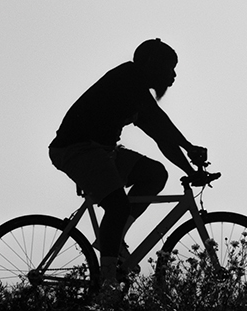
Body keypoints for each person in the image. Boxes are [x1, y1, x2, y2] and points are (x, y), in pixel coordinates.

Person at [48, 39, 210, 291]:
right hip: (76, 149)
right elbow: (162, 123)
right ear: (151, 64)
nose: (174, 75)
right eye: (169, 67)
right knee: (118, 206)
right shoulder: (129, 80)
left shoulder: (137, 90)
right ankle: (108, 283)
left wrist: (190, 171)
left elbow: (161, 136)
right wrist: (189, 148)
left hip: (102, 151)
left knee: (154, 174)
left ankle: (114, 240)